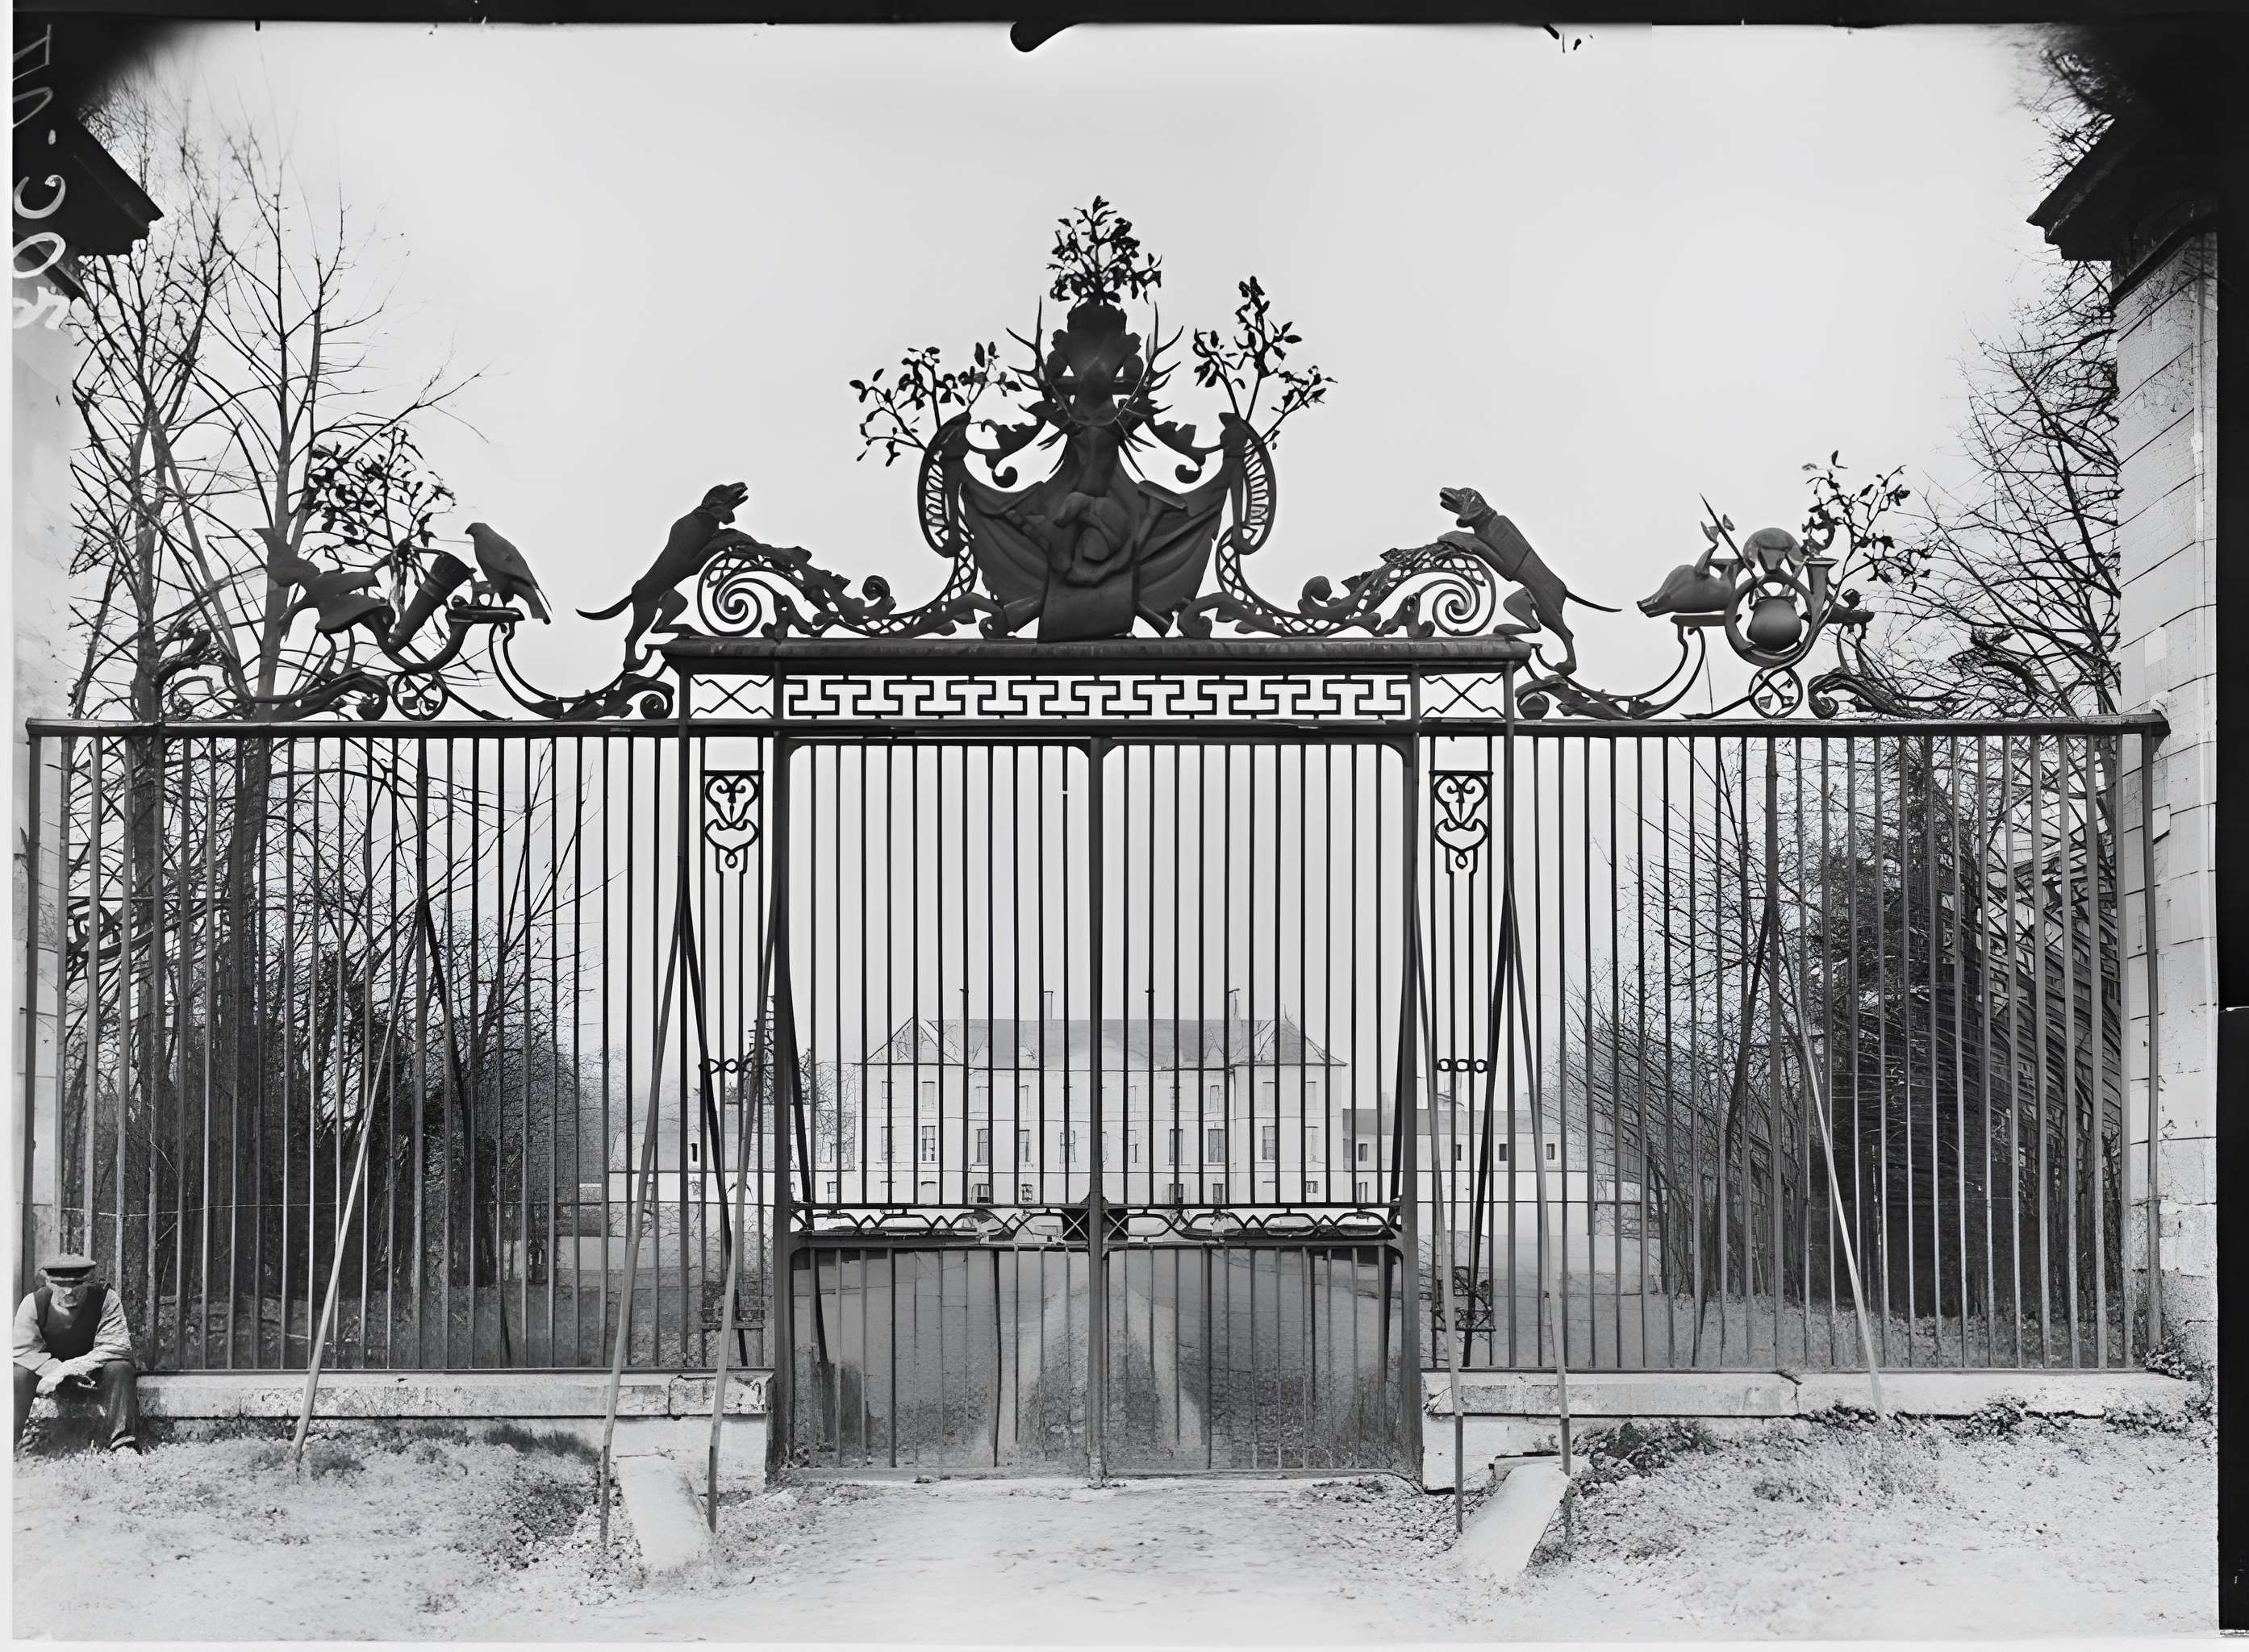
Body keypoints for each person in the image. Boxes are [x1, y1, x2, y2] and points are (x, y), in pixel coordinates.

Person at [13, 1254, 140, 1454]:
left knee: (121, 1367)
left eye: (77, 1284)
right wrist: (55, 1370)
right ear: (48, 1282)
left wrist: (70, 1368)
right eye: (60, 1284)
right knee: (17, 1374)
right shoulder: (34, 1303)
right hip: (52, 1379)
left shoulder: (106, 1299)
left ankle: (123, 1444)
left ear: (89, 1282)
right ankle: (10, 1441)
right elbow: (22, 1350)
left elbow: (117, 1347)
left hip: (94, 1375)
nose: (68, 1291)